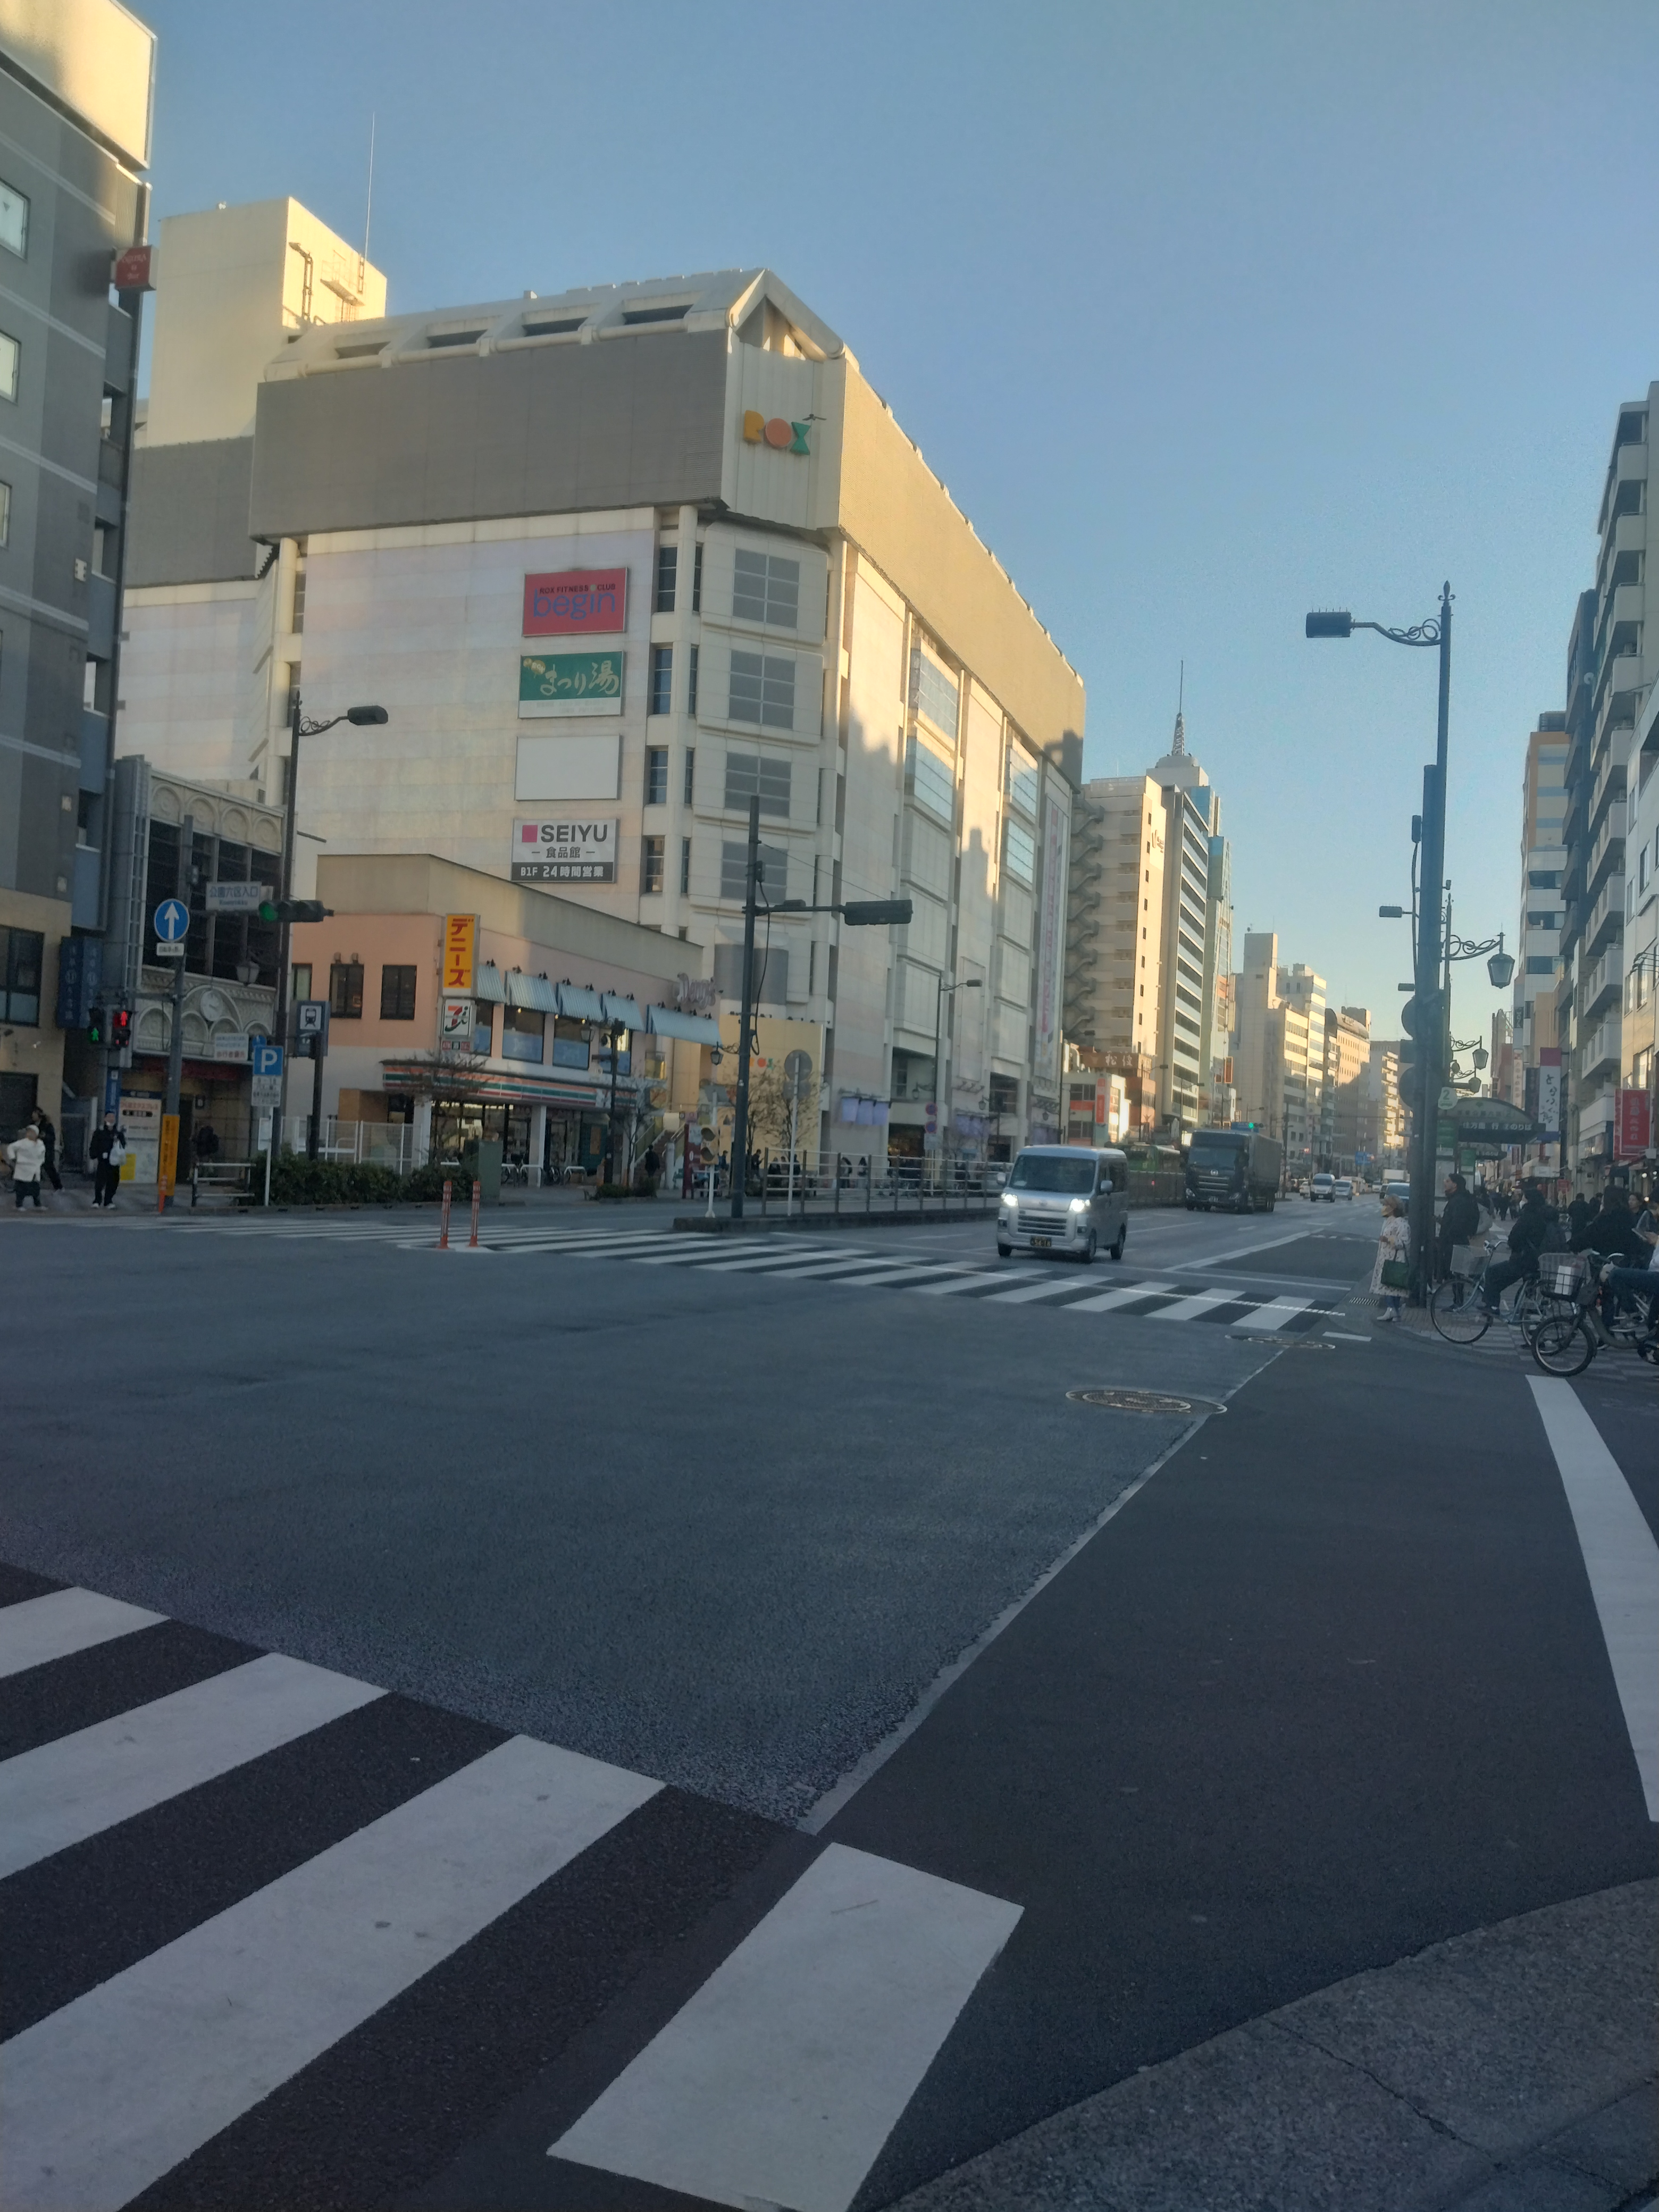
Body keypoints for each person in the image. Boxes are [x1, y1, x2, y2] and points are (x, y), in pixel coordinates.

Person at [1479, 1182, 1552, 1314]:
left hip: (1523, 1260)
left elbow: (1515, 1236)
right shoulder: (1544, 1215)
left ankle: (1492, 1306)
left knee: (1492, 1273)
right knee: (1502, 1280)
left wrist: (1513, 1246)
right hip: (1537, 1260)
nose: (1522, 1200)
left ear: (1529, 1200)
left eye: (1524, 1198)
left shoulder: (1529, 1216)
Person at [1437, 1174, 1480, 1285]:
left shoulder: (1458, 1201)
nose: (1445, 1183)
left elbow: (1457, 1222)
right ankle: (1458, 1299)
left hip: (1454, 1243)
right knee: (1456, 1273)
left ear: (1455, 1185)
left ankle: (1458, 1300)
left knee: (1455, 1273)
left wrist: (1447, 1237)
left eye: (1448, 1181)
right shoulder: (1463, 1199)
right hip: (1459, 1241)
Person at [1372, 1194, 1410, 1321]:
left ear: (1393, 1207)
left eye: (1386, 1205)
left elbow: (1404, 1242)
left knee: (1393, 1286)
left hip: (1395, 1259)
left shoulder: (1402, 1223)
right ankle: (1393, 1311)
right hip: (1386, 1258)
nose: (1384, 1208)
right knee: (1389, 1286)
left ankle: (1392, 1310)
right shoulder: (1388, 1221)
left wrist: (1389, 1240)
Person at [88, 1111, 126, 1209]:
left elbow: (123, 1145)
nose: (111, 1119)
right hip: (103, 1160)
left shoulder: (118, 1132)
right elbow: (94, 1144)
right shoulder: (100, 1131)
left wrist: (119, 1142)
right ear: (105, 1119)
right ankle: (97, 1200)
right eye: (109, 1117)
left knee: (113, 1181)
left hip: (115, 1161)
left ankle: (108, 1201)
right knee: (100, 1182)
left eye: (113, 1117)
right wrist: (94, 1157)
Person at [7, 1123, 46, 1208]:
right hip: (23, 1168)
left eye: (31, 1132)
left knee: (36, 1188)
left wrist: (41, 1161)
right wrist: (13, 1158)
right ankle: (19, 1205)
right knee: (21, 1188)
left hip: (35, 1169)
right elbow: (11, 1147)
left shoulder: (40, 1144)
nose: (29, 1133)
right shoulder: (22, 1143)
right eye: (28, 1132)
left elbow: (42, 1154)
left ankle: (38, 1204)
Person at [31, 1109, 62, 1192]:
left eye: (35, 1114)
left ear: (39, 1116)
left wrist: (45, 1137)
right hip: (35, 1151)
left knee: (49, 1168)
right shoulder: (32, 1126)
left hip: (46, 1151)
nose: (33, 1116)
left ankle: (58, 1187)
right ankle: (30, 1187)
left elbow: (52, 1138)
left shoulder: (47, 1126)